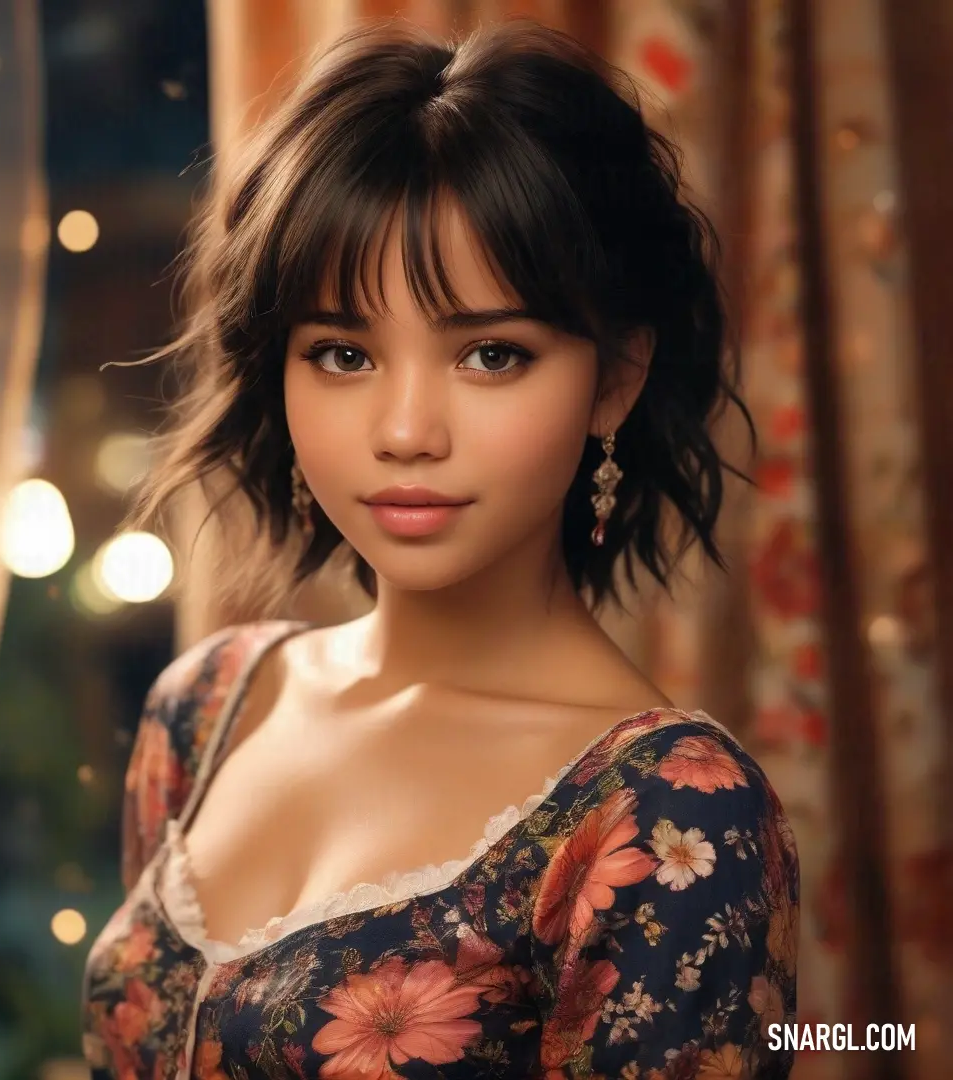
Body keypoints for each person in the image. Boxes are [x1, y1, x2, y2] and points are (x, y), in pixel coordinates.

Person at [82, 16, 799, 1080]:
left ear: (615, 377)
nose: (406, 429)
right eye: (342, 352)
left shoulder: (668, 814)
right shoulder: (207, 705)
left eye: (491, 354)